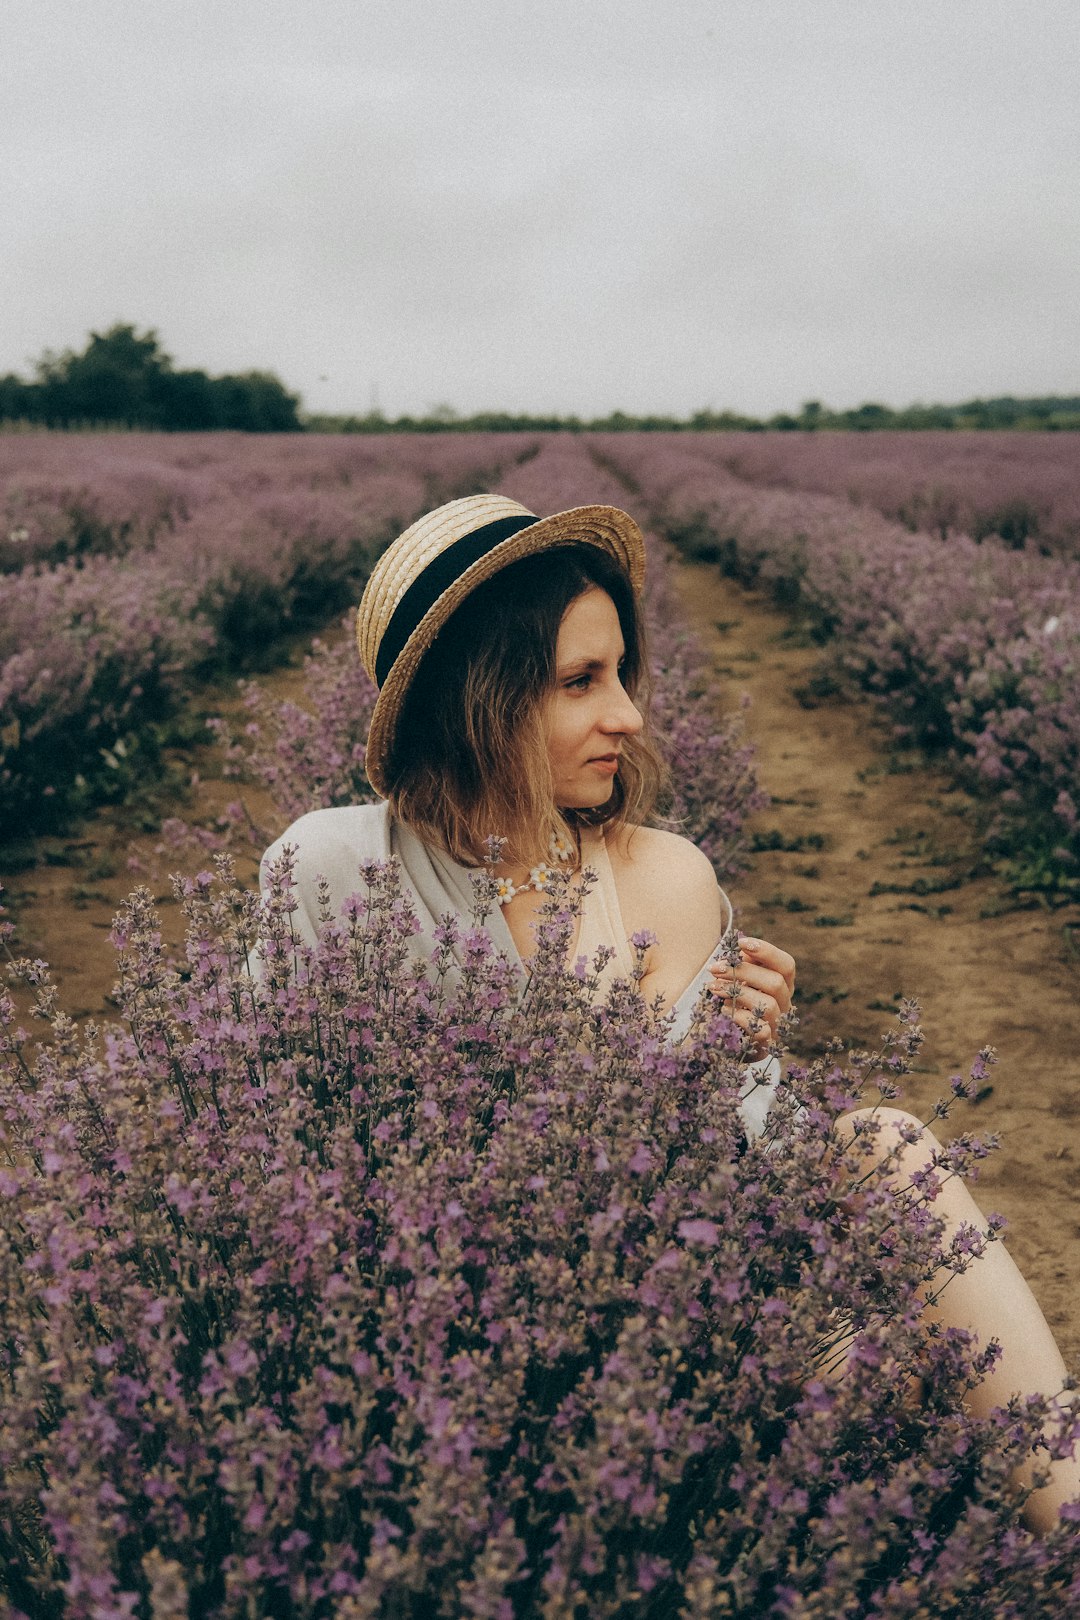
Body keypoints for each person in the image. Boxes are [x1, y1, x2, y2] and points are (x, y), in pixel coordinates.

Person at [261, 493, 1078, 1532]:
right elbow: (302, 1147)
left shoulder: (666, 877)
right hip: (464, 1340)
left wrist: (732, 1060)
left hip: (692, 1316)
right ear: (481, 698)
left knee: (888, 1145)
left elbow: (714, 1182)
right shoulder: (331, 868)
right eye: (578, 683)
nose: (630, 715)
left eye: (619, 674)